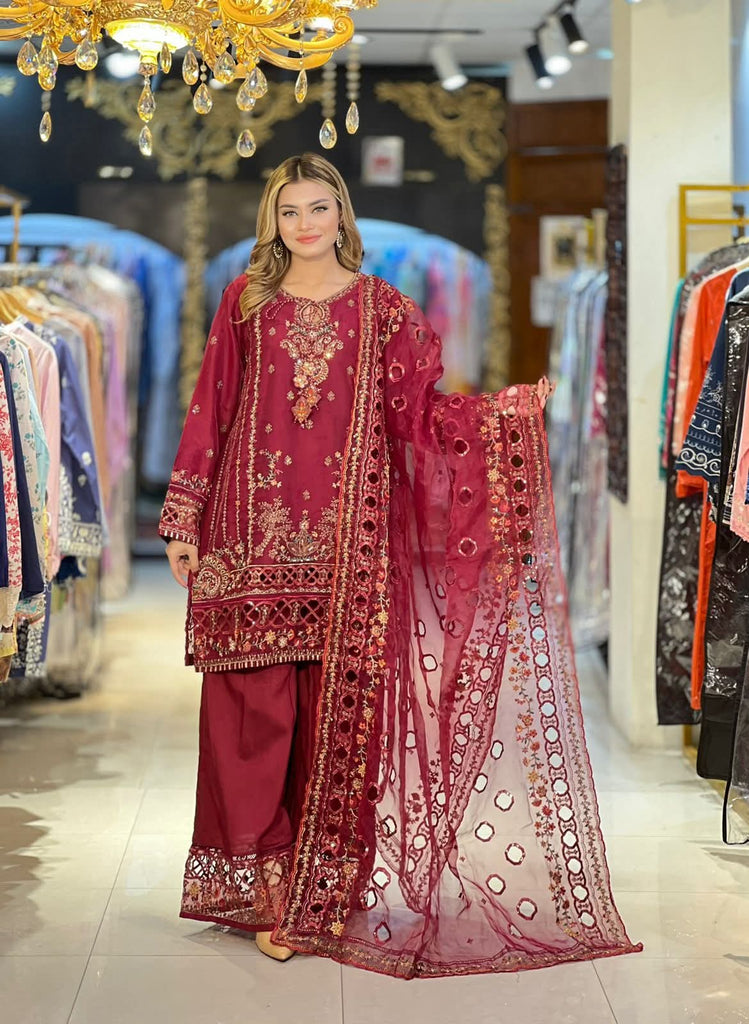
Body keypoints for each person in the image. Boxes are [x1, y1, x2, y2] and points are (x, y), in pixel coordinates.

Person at [160, 153, 640, 978]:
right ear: (273, 220)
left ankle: (315, 896)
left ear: (342, 215)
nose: (304, 225)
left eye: (318, 208)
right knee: (247, 722)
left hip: (349, 549)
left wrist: (502, 418)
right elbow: (212, 407)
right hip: (246, 542)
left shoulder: (383, 309)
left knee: (333, 728)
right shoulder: (246, 301)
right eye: (289, 212)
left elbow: (419, 416)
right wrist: (183, 517)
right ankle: (263, 892)